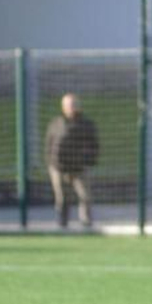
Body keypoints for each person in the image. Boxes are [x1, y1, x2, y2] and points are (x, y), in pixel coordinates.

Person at [43, 93, 100, 229]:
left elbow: (94, 145)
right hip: (59, 167)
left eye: (74, 104)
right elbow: (49, 144)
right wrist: (50, 162)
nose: (71, 108)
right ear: (63, 107)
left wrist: (89, 160)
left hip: (79, 167)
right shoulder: (56, 123)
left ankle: (86, 222)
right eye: (68, 105)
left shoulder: (86, 124)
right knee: (61, 197)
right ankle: (62, 223)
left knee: (85, 195)